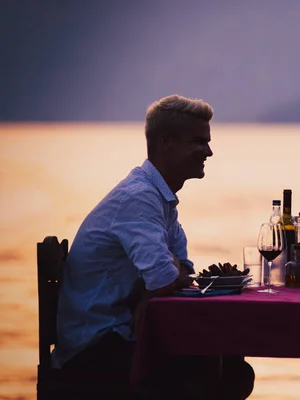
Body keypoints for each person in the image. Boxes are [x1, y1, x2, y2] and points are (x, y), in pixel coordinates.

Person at [52, 94, 254, 399]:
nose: (209, 151)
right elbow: (165, 278)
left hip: (121, 336)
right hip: (95, 349)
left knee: (231, 362)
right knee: (227, 369)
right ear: (166, 143)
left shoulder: (160, 198)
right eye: (199, 142)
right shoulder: (139, 197)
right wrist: (159, 281)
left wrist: (155, 285)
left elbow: (182, 267)